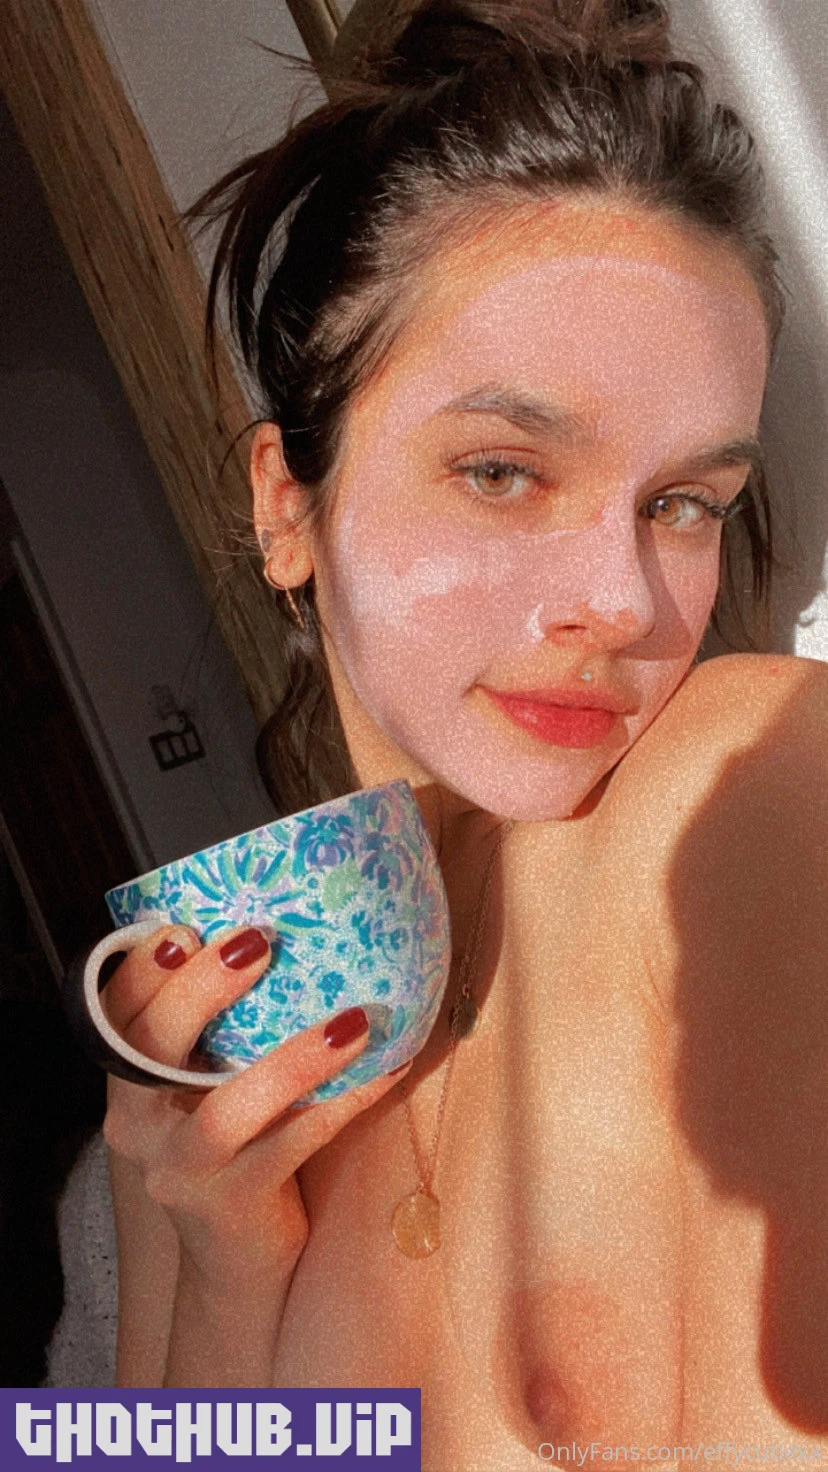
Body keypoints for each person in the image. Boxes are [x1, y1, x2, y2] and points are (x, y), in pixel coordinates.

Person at [101, 0, 828, 1461]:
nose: (622, 600)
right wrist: (225, 1279)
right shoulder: (214, 1045)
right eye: (503, 470)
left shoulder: (749, 801)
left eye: (685, 502)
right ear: (285, 506)